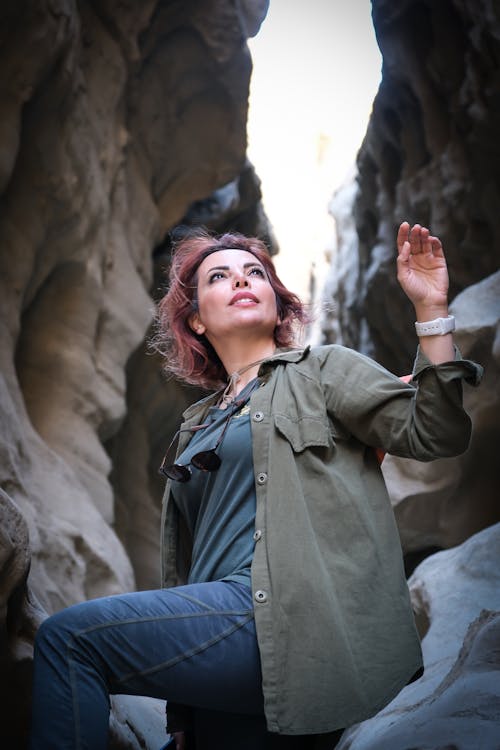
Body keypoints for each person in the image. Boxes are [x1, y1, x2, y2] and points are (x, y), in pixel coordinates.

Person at [29, 222, 482, 750]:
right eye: (219, 276)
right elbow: (189, 567)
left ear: (276, 300)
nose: (242, 281)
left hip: (288, 618)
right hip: (228, 643)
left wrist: (431, 311)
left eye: (255, 273)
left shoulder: (322, 371)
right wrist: (185, 712)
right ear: (195, 319)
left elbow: (437, 432)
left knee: (70, 640)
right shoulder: (194, 426)